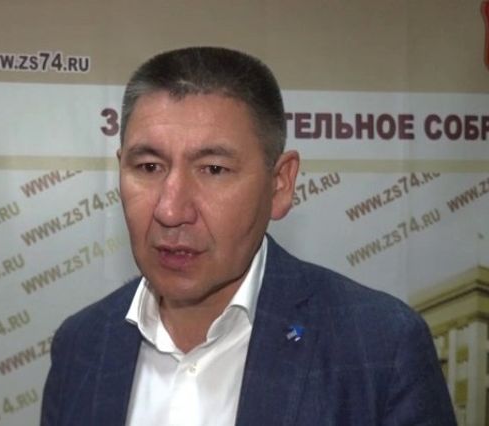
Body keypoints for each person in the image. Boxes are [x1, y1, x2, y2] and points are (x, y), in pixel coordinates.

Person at [41, 47, 455, 426]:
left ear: (280, 184)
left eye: (213, 170)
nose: (170, 210)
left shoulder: (381, 348)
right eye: (149, 167)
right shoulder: (81, 346)